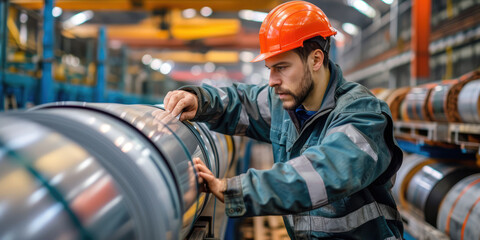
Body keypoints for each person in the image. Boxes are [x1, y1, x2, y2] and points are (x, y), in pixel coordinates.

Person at [163, 1, 404, 239]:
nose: (272, 80)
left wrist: (235, 190)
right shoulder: (286, 104)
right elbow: (241, 103)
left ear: (316, 59)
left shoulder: (363, 113)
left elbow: (326, 171)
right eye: (270, 68)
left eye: (282, 67)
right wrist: (199, 100)